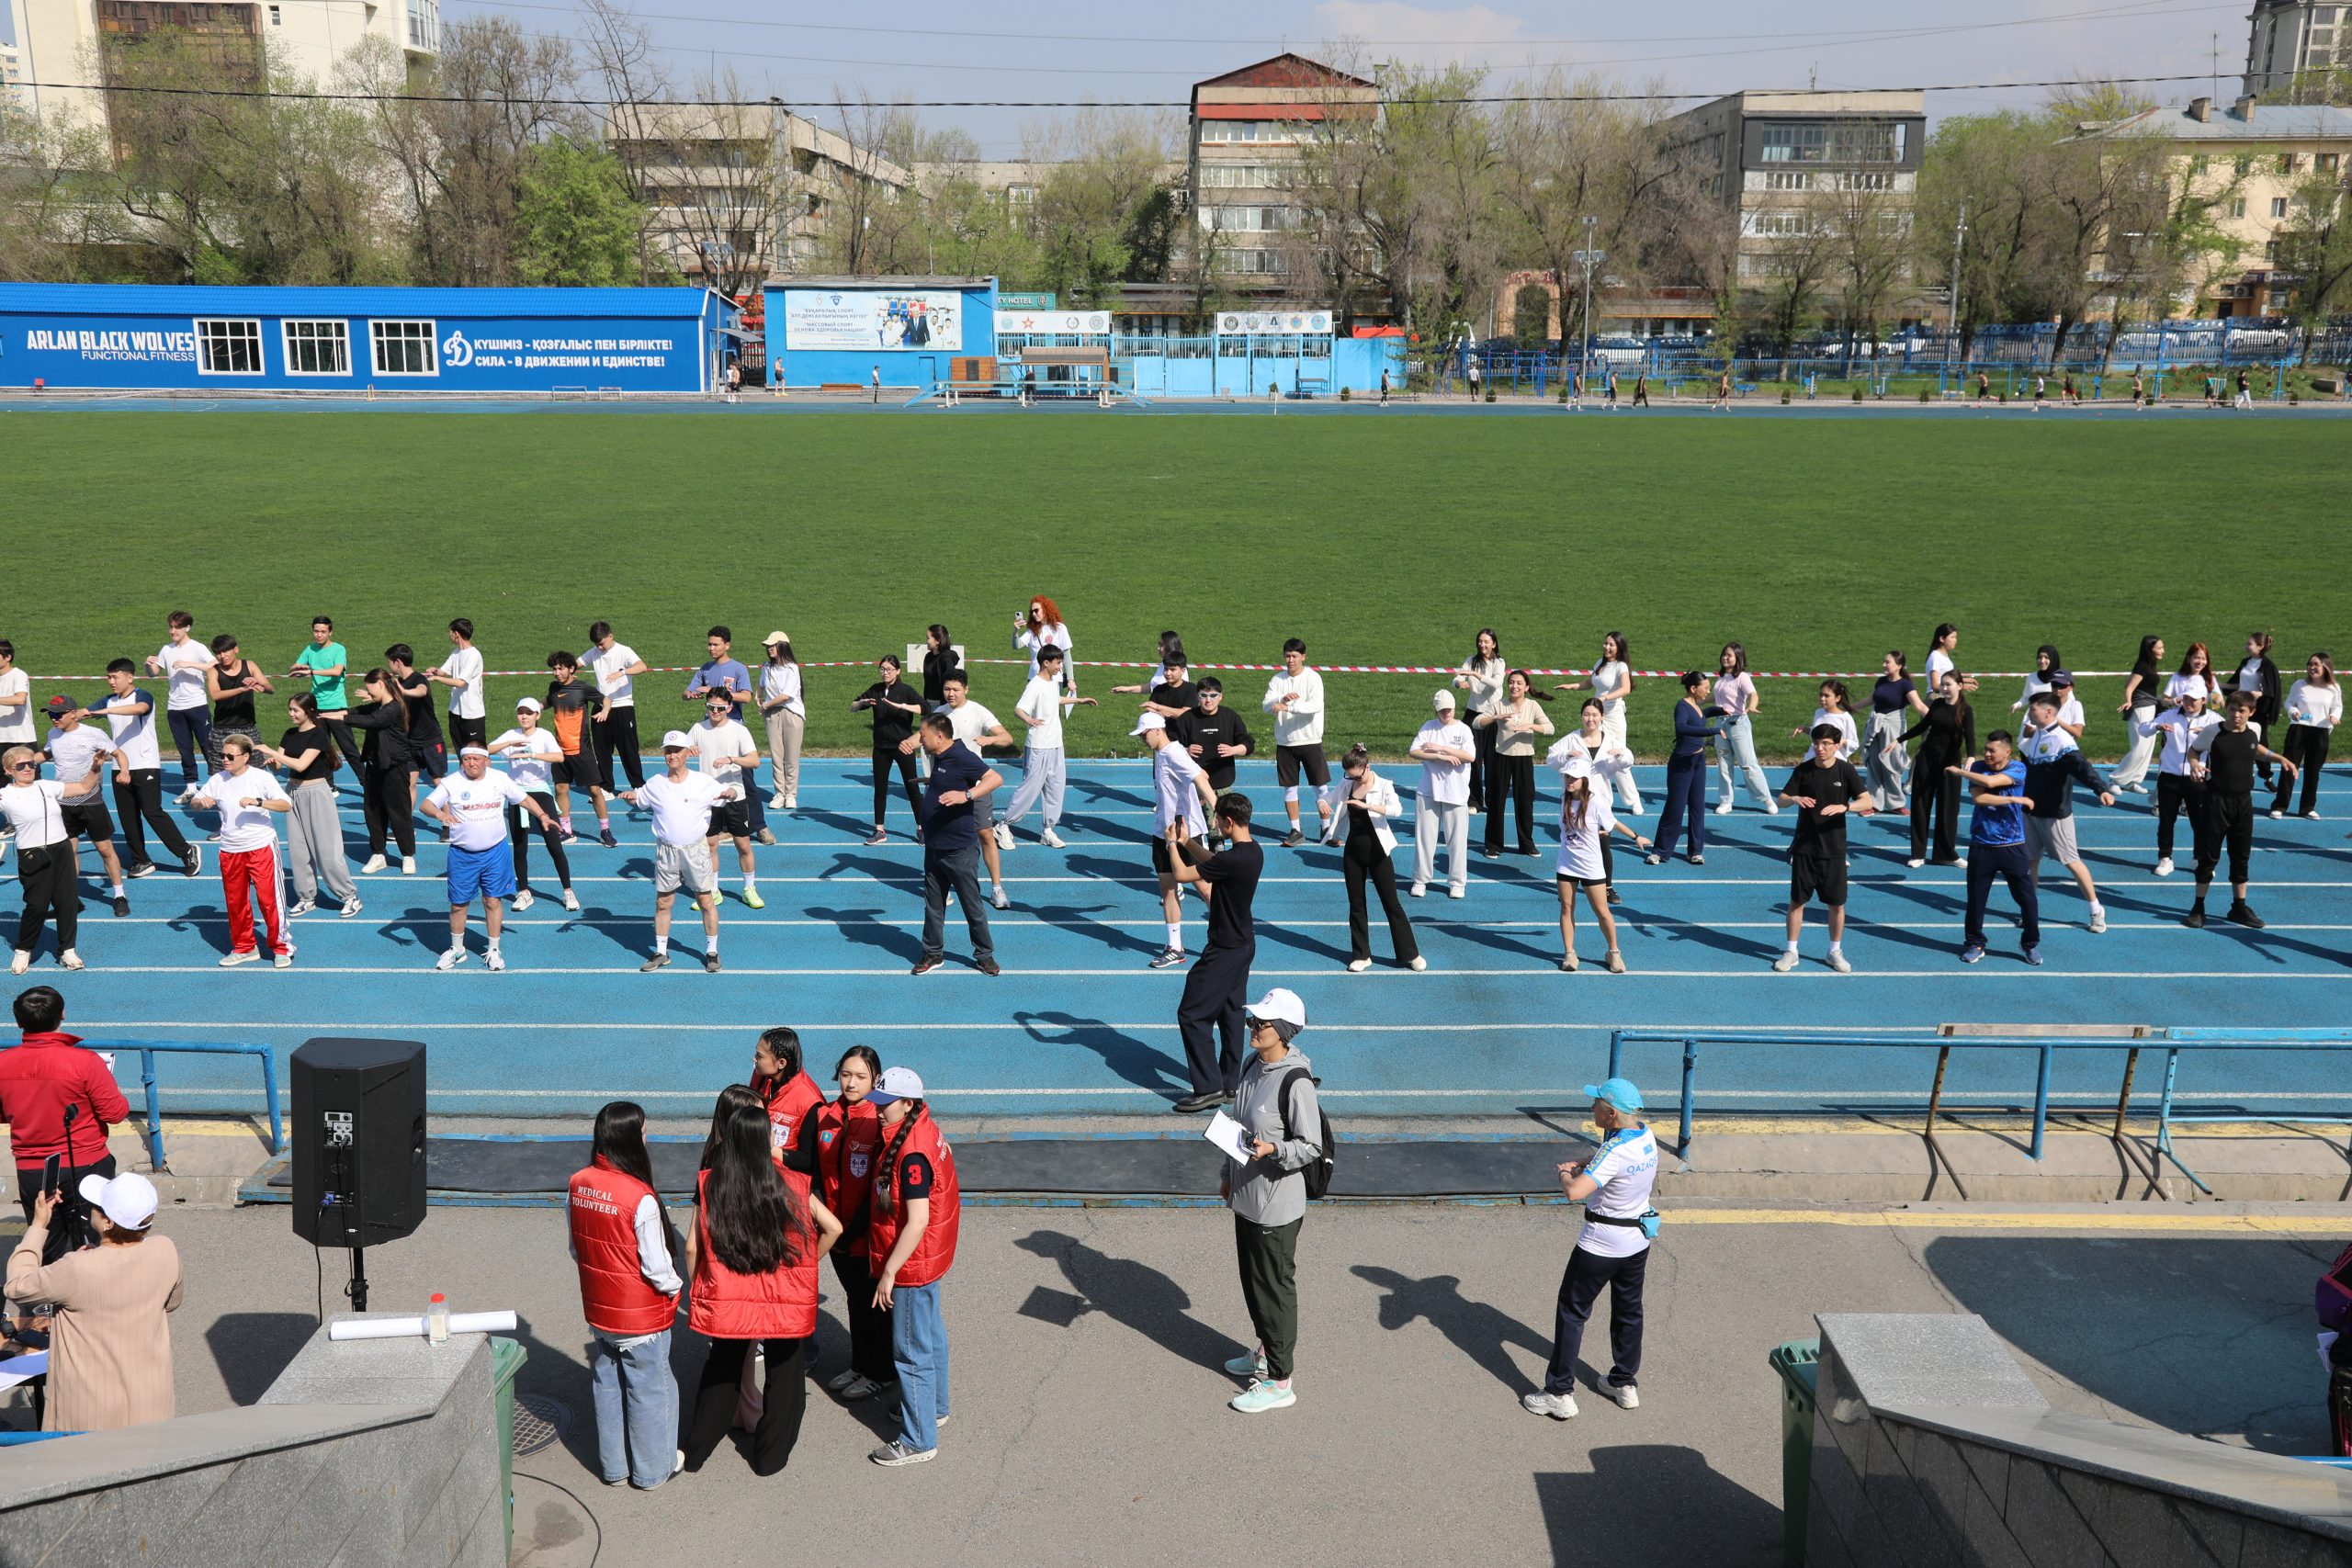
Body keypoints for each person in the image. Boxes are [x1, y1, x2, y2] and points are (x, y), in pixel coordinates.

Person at [681, 1093, 841, 1476]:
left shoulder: (713, 1183)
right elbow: (833, 1227)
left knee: (723, 1368)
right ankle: (770, 1457)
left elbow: (691, 1247)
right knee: (785, 1373)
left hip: (732, 1292)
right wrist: (805, 1264)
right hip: (784, 1293)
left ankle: (696, 1451)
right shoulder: (795, 1183)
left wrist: (701, 1284)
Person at [5, 1168, 181, 1433]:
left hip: (91, 1413)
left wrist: (39, 1226)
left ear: (107, 1222)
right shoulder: (165, 1249)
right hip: (152, 1404)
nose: (91, 1210)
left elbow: (17, 1286)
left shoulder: (78, 1267)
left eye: (97, 1207)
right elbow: (171, 1302)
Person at [1522, 1078, 1657, 1421]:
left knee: (1572, 1312)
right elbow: (1610, 1157)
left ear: (1610, 1114)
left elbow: (1575, 1192)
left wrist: (1566, 1174)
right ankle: (1624, 1383)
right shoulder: (1644, 1136)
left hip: (1600, 1245)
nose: (1591, 1108)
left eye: (1596, 1104)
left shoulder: (1614, 1151)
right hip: (1637, 1242)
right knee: (1628, 1311)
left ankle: (1558, 1393)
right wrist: (1587, 1160)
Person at [566, 1101, 684, 1490]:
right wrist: (676, 1288)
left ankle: (614, 1468)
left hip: (600, 1309)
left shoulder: (578, 1182)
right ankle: (652, 1470)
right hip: (641, 1316)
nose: (648, 1137)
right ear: (631, 1139)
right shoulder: (639, 1196)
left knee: (608, 1383)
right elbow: (657, 1268)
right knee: (651, 1389)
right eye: (644, 1131)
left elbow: (576, 1249)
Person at [1219, 988, 1321, 1416]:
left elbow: (1311, 1146)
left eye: (1261, 1023)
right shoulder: (1252, 1064)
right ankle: (1265, 1351)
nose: (1252, 1028)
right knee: (1253, 1283)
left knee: (1273, 1289)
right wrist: (1227, 1175)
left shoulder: (1296, 1082)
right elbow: (1239, 1123)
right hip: (1246, 1194)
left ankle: (1280, 1381)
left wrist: (1274, 1151)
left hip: (1276, 1205)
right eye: (1252, 1021)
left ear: (1282, 1030)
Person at [864, 1066, 962, 1466]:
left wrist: (889, 1272)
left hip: (912, 1264)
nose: (877, 1110)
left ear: (908, 1104)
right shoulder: (924, 1129)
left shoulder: (911, 1154)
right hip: (930, 1257)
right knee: (931, 1334)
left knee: (909, 1351)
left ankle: (918, 1440)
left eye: (885, 1104)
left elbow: (917, 1220)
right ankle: (933, 1409)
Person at [2, 986, 129, 1265]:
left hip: (33, 1169)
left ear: (19, 1022)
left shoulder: (2, 1062)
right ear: (62, 1014)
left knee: (45, 1244)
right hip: (86, 1164)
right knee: (95, 1244)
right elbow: (115, 1113)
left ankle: (49, 1292)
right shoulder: (85, 1062)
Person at [1166, 794, 1263, 1113]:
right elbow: (1214, 863)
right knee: (1231, 1013)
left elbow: (1182, 875)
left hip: (1223, 950)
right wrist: (1188, 843)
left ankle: (1208, 1088)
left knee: (1192, 1014)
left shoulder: (1231, 861)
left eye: (1217, 819)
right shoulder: (1253, 852)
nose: (1214, 824)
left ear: (1229, 821)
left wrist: (1172, 845)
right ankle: (1231, 1082)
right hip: (1244, 944)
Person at [421, 746, 552, 972]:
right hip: (462, 854)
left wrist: (542, 815)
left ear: (486, 760)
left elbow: (524, 799)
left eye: (476, 758)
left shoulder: (500, 779)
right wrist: (440, 814)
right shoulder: (452, 782)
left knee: (492, 901)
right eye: (466, 759)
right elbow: (426, 805)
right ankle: (457, 949)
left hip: (495, 852)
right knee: (458, 905)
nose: (471, 763)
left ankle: (493, 950)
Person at [618, 733, 738, 974]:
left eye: (676, 750)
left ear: (686, 753)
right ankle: (661, 952)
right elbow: (639, 800)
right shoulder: (656, 783)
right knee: (663, 902)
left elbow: (730, 791)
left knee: (705, 900)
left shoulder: (702, 781)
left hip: (695, 850)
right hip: (666, 850)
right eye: (668, 751)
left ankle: (712, 952)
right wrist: (630, 798)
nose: (672, 755)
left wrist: (730, 794)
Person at [817, 1046, 893, 1401]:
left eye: (861, 1076)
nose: (851, 1083)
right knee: (855, 1300)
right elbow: (818, 1172)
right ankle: (861, 1364)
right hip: (836, 1230)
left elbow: (879, 1187)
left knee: (876, 1306)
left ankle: (882, 1372)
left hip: (865, 1233)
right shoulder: (826, 1115)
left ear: (875, 1079)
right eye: (846, 1074)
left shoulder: (878, 1120)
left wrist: (851, 1233)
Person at [2186, 693, 2296, 931]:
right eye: (2233, 709)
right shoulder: (2212, 731)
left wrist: (2279, 758)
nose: (2236, 715)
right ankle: (2198, 907)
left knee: (2241, 856)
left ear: (2251, 712)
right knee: (2208, 857)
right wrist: (2194, 764)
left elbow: (2255, 748)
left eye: (2242, 711)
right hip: (2216, 802)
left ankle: (2239, 907)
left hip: (2244, 803)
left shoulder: (2253, 730)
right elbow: (2193, 751)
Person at [1775, 725, 1874, 973]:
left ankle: (1834, 951)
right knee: (1797, 902)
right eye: (1816, 743)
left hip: (1834, 849)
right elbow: (1781, 800)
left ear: (1837, 746)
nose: (1820, 748)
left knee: (1837, 904)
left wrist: (1845, 807)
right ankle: (1791, 951)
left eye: (1826, 744)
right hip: (1805, 848)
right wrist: (1794, 799)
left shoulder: (1845, 770)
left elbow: (1867, 801)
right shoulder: (1804, 770)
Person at [88, 661, 199, 880]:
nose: (110, 681)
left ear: (129, 677)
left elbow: (140, 709)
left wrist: (107, 711)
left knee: (151, 811)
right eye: (108, 677)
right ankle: (141, 860)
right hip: (120, 767)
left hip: (145, 764)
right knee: (127, 817)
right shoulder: (108, 700)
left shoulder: (142, 696)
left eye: (115, 677)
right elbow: (86, 712)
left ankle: (186, 852)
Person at [191, 736, 295, 968]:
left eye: (230, 756)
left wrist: (259, 802)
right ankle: (245, 947)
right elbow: (195, 803)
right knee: (236, 903)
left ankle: (281, 947)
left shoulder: (261, 778)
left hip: (261, 847)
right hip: (230, 850)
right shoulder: (217, 779)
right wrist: (201, 803)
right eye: (222, 755)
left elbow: (285, 804)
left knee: (270, 900)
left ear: (246, 757)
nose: (225, 760)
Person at [910, 713, 1002, 977]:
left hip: (959, 850)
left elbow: (995, 779)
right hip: (934, 847)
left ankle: (984, 955)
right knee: (933, 905)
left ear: (939, 736)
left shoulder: (962, 756)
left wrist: (966, 795)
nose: (920, 740)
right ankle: (933, 953)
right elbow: (950, 779)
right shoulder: (940, 757)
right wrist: (934, 783)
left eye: (923, 735)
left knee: (972, 905)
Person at [2019, 691, 2116, 933]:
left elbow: (2082, 767)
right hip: (2031, 813)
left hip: (2055, 815)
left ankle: (2096, 910)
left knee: (2071, 861)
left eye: (2033, 709)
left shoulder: (2062, 741)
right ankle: (2029, 910)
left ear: (2048, 712)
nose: (2029, 713)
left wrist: (2101, 789)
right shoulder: (2038, 734)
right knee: (2030, 861)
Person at [1321, 743, 1422, 974]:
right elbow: (1327, 797)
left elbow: (1397, 810)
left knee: (1391, 903)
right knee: (1356, 904)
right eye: (1349, 776)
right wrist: (1322, 803)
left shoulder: (1384, 785)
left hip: (1378, 852)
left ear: (1368, 767)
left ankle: (1410, 954)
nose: (1353, 779)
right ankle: (1361, 955)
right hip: (1353, 853)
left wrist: (1366, 805)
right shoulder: (1347, 783)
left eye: (1357, 776)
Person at [257, 695, 361, 919]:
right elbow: (280, 765)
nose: (291, 714)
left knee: (327, 850)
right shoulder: (289, 734)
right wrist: (273, 762)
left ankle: (349, 896)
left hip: (316, 794)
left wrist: (272, 753)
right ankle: (306, 897)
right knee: (298, 850)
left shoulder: (318, 735)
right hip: (293, 793)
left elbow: (302, 764)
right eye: (290, 709)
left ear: (309, 711)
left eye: (296, 710)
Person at [919, 674, 1014, 908]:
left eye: (955, 689)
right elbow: (926, 740)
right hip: (946, 785)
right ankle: (943, 886)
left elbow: (1007, 738)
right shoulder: (940, 713)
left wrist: (990, 740)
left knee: (985, 834)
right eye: (946, 689)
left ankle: (997, 888)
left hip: (974, 784)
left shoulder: (978, 711)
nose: (950, 694)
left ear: (966, 690)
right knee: (942, 835)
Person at [1949, 731, 2041, 965]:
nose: (1987, 754)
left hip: (2012, 845)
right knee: (1976, 899)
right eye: (1986, 749)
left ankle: (2030, 943)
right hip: (1981, 844)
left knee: (2027, 898)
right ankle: (1975, 943)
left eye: (1992, 750)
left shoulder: (2018, 768)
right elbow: (1979, 798)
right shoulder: (1978, 767)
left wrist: (1960, 772)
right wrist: (2014, 799)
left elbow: (1991, 783)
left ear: (2007, 752)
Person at [1137, 712, 1218, 970]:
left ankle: (1227, 935)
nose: (1142, 739)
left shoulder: (1173, 753)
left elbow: (1200, 777)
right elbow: (1200, 773)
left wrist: (1218, 810)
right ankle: (1175, 947)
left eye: (1144, 734)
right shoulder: (1162, 753)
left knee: (1205, 888)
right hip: (1163, 831)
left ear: (1158, 731)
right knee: (1167, 887)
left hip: (1186, 833)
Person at [1554, 757, 1648, 974]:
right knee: (1566, 908)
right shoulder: (1564, 800)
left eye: (1574, 778)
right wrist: (1592, 832)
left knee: (1602, 911)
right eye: (1567, 777)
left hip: (1591, 866)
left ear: (1584, 780)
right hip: (1566, 864)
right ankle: (1569, 953)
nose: (1569, 781)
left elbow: (1613, 822)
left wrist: (1636, 837)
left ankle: (1613, 952)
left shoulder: (1595, 802)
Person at [42, 698, 131, 918]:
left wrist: (124, 771)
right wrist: (22, 761)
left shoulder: (93, 734)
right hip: (64, 803)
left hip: (91, 802)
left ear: (73, 713)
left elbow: (118, 753)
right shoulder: (53, 734)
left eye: (58, 714)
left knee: (105, 850)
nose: (53, 719)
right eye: (50, 715)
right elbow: (45, 754)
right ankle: (71, 899)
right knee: (68, 853)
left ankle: (119, 895)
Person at [486, 697, 575, 914]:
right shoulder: (511, 735)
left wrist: (531, 754)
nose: (524, 716)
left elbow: (559, 757)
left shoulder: (544, 735)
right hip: (516, 794)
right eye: (521, 712)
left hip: (540, 792)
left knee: (554, 845)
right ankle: (524, 892)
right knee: (519, 846)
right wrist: (509, 744)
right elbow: (486, 750)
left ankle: (568, 891)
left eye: (529, 713)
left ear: (538, 715)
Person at [684, 627, 769, 845]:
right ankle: (722, 826)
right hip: (710, 730)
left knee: (746, 781)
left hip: (733, 728)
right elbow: (687, 692)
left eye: (716, 644)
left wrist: (716, 691)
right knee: (713, 778)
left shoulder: (738, 668)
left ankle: (760, 827)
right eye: (709, 644)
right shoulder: (705, 668)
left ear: (727, 645)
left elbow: (747, 697)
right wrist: (690, 694)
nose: (711, 648)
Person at [4, 749, 82, 974]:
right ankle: (23, 949)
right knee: (37, 905)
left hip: (61, 848)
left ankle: (67, 950)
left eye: (31, 764)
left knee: (67, 902)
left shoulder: (46, 786)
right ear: (8, 770)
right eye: (20, 766)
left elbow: (84, 787)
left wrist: (96, 767)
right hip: (32, 854)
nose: (28, 768)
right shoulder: (5, 795)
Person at [1645, 672, 1729, 867]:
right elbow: (1682, 727)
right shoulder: (1682, 706)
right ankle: (1660, 851)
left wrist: (1716, 710)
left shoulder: (1696, 707)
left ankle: (1695, 852)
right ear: (1693, 688)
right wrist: (1712, 731)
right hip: (1682, 763)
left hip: (1698, 762)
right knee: (1675, 807)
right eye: (1705, 687)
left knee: (1697, 807)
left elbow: (1699, 718)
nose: (1708, 691)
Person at [690, 694, 764, 908]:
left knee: (743, 844)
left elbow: (755, 761)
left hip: (735, 796)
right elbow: (678, 753)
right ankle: (713, 890)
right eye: (711, 706)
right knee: (710, 845)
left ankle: (749, 889)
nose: (715, 711)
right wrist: (687, 750)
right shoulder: (698, 728)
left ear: (729, 708)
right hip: (708, 799)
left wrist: (732, 759)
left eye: (720, 708)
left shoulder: (739, 730)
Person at [2140, 685, 2219, 877]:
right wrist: (2157, 727)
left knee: (2200, 822)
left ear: (2203, 700)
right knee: (2166, 821)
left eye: (2194, 699)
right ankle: (2165, 858)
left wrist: (2209, 734)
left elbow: (2230, 737)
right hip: (2169, 776)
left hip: (2197, 778)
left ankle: (2199, 858)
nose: (2189, 703)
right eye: (2186, 698)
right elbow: (2143, 729)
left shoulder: (2213, 720)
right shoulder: (2169, 714)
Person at [1475, 670, 1555, 858]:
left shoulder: (1533, 706)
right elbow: (1477, 722)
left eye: (1519, 683)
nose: (1514, 686)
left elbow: (1550, 728)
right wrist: (1495, 718)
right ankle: (1494, 845)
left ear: (1526, 687)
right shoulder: (1499, 704)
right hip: (1501, 758)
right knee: (1496, 801)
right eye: (1511, 682)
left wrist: (1531, 726)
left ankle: (1526, 844)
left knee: (1525, 801)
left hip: (1524, 759)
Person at [1557, 633, 1639, 811]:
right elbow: (1589, 683)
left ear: (1619, 647)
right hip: (1597, 715)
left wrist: (1605, 698)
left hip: (1614, 716)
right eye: (1605, 643)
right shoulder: (1599, 663)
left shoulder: (1621, 666)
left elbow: (1626, 689)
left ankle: (1634, 801)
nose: (1606, 647)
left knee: (1617, 757)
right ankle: (1589, 796)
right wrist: (1572, 686)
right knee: (1590, 754)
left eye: (1611, 645)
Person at [348, 670, 419, 875]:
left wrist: (342, 719)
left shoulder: (394, 708)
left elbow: (372, 722)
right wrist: (332, 714)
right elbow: (358, 711)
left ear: (380, 684)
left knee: (399, 813)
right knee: (373, 812)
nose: (368, 693)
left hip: (394, 768)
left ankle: (408, 855)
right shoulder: (377, 706)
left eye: (370, 689)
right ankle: (378, 854)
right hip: (374, 767)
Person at [1902, 671, 1975, 868]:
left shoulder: (1965, 710)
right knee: (1920, 806)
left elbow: (1970, 736)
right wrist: (1898, 740)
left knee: (1948, 809)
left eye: (1948, 684)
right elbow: (1923, 726)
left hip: (1950, 765)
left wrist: (1971, 756)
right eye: (1942, 684)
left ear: (1959, 686)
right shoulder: (1937, 704)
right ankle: (1918, 854)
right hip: (1927, 760)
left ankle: (1946, 854)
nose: (1944, 688)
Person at [1261, 638, 1330, 848]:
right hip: (1285, 742)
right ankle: (1296, 830)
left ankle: (1327, 828)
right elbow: (1266, 706)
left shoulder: (1313, 678)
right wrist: (1281, 700)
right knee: (1289, 788)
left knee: (1320, 786)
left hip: (1310, 740)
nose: (1290, 660)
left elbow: (1315, 706)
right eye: (1287, 656)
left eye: (1294, 656)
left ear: (1303, 657)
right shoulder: (1277, 680)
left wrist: (1289, 707)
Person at [543, 651, 616, 847]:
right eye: (554, 669)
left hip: (581, 751)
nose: (556, 673)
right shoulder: (554, 688)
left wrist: (605, 711)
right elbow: (548, 702)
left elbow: (606, 700)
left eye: (560, 669)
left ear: (571, 669)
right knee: (561, 789)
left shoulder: (583, 688)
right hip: (560, 752)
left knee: (594, 790)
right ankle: (567, 831)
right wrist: (533, 708)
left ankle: (605, 831)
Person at [1409, 689, 1476, 897]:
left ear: (1454, 708)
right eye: (1442, 710)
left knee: (1457, 841)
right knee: (1424, 839)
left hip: (1456, 793)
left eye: (1449, 709)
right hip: (1428, 791)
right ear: (1436, 710)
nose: (1446, 713)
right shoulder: (1428, 727)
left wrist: (1442, 749)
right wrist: (1440, 757)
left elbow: (1469, 756)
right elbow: (1414, 751)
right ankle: (1420, 880)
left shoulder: (1463, 730)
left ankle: (1457, 883)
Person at [854, 655, 925, 847]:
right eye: (882, 669)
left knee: (912, 788)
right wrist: (862, 703)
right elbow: (853, 706)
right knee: (880, 789)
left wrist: (902, 706)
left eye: (889, 669)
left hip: (903, 747)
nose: (885, 673)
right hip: (881, 749)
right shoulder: (876, 689)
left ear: (898, 671)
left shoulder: (906, 691)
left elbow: (925, 708)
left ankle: (921, 828)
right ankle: (879, 830)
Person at [144, 611, 213, 802]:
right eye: (171, 627)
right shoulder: (166, 649)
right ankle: (191, 788)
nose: (173, 631)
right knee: (184, 749)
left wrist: (189, 664)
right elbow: (153, 673)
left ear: (187, 628)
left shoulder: (197, 647)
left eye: (177, 627)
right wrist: (148, 665)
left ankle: (217, 785)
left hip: (197, 705)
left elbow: (214, 665)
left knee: (208, 746)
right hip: (175, 707)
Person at [288, 616, 363, 775]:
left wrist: (311, 671)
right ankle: (328, 784)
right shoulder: (310, 649)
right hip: (317, 708)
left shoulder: (338, 649)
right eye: (316, 631)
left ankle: (366, 783)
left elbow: (337, 671)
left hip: (337, 708)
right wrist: (296, 668)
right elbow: (294, 668)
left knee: (349, 749)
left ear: (330, 632)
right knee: (322, 750)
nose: (319, 635)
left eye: (323, 631)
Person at [1168, 676, 1253, 812]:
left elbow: (1248, 743)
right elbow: (1169, 746)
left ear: (1221, 697)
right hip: (1194, 784)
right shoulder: (1187, 718)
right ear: (1197, 696)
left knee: (1221, 824)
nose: (1208, 700)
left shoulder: (1230, 717)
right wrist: (1185, 750)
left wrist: (1234, 750)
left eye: (1213, 695)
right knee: (1193, 824)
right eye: (1203, 695)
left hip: (1223, 785)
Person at [585, 622, 650, 795]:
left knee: (628, 750)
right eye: (596, 644)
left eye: (601, 643)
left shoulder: (624, 651)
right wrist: (569, 673)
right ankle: (606, 787)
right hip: (600, 707)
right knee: (602, 750)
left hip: (622, 707)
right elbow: (577, 662)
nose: (599, 647)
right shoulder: (594, 652)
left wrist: (622, 672)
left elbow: (642, 667)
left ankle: (638, 787)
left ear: (610, 636)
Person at [2273, 652, 2340, 819]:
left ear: (2326, 667)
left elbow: (2337, 706)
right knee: (2289, 768)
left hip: (2320, 731)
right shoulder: (2299, 685)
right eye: (2310, 664)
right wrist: (2293, 711)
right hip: (2298, 729)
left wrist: (2334, 715)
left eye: (2316, 664)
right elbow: (2289, 702)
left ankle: (2307, 808)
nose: (2312, 667)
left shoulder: (2333, 688)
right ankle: (2280, 805)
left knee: (2313, 771)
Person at [1711, 643, 1776, 816]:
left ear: (1738, 658)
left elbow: (1753, 694)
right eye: (1724, 654)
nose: (1725, 658)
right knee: (1724, 764)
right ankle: (1726, 801)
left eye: (1729, 655)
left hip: (1738, 724)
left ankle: (1766, 799)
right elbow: (1718, 697)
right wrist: (1697, 700)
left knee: (1748, 765)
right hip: (1720, 724)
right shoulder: (1722, 677)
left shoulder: (1742, 677)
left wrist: (1752, 706)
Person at [384, 644, 447, 808]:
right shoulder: (399, 682)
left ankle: (449, 820)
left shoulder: (418, 679)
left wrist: (405, 692)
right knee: (408, 783)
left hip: (430, 741)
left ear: (398, 662)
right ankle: (407, 822)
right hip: (410, 742)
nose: (388, 666)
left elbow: (422, 691)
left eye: (389, 662)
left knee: (439, 782)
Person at [1865, 651, 1927, 815]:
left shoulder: (1905, 685)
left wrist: (1937, 718)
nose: (1884, 665)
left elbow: (1919, 706)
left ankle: (1896, 804)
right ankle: (1873, 804)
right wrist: (1850, 708)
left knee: (1891, 764)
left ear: (1899, 665)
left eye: (1887, 662)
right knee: (1874, 764)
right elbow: (1872, 699)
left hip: (1894, 727)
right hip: (1875, 726)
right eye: (1884, 661)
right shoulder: (1881, 681)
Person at [204, 633, 274, 773]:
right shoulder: (213, 670)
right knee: (220, 772)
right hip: (222, 728)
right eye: (218, 653)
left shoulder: (249, 665)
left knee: (257, 769)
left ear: (235, 649)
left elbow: (270, 689)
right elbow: (215, 695)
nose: (222, 656)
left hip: (248, 727)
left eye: (225, 651)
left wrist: (258, 682)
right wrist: (242, 689)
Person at [1454, 628, 1507, 811]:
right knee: (1473, 759)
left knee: (1493, 760)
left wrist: (1476, 675)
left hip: (1493, 715)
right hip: (1473, 714)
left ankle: (1493, 801)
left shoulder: (1499, 663)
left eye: (1486, 642)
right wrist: (1458, 683)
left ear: (1494, 644)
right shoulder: (1471, 660)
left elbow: (1497, 683)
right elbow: (1459, 675)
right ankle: (1474, 800)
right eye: (1480, 641)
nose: (1482, 645)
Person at [2110, 635, 2166, 794]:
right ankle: (2115, 780)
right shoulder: (2142, 666)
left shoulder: (2149, 665)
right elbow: (2129, 687)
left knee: (2147, 748)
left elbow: (2128, 683)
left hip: (2151, 708)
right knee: (2139, 748)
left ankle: (2133, 780)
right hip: (2141, 709)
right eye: (2160, 648)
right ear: (2150, 649)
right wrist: (2129, 701)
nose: (2163, 651)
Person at [2228, 632, 2283, 785]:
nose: (2246, 646)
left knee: (2259, 742)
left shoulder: (2268, 666)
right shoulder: (2245, 662)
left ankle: (2267, 776)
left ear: (2260, 646)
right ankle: (2241, 773)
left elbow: (2271, 690)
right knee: (2236, 738)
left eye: (2250, 644)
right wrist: (2217, 685)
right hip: (2240, 708)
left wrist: (2258, 694)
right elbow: (2236, 683)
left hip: (2258, 710)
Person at [757, 632, 804, 811]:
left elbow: (786, 696)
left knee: (791, 756)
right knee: (776, 756)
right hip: (772, 714)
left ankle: (791, 794)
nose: (770, 649)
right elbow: (761, 684)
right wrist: (758, 696)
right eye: (768, 646)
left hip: (791, 713)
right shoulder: (767, 667)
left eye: (773, 645)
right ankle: (779, 793)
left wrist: (765, 705)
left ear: (782, 646)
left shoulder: (792, 668)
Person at [429, 619, 487, 751]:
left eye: (450, 632)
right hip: (455, 711)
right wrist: (435, 671)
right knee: (460, 752)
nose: (449, 635)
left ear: (456, 634)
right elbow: (444, 671)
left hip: (472, 714)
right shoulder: (456, 652)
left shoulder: (474, 655)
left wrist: (437, 678)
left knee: (477, 752)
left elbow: (461, 682)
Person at [1013, 595, 1075, 696]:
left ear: (1045, 609)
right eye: (1032, 612)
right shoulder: (1032, 631)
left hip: (1054, 678)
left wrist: (1070, 680)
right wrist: (1015, 632)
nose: (1034, 614)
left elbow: (1067, 655)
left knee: (1053, 706)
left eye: (1036, 610)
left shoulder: (1060, 628)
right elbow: (1017, 645)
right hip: (1034, 678)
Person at [0, 642, 30, 831]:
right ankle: (11, 820)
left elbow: (20, 699)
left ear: (8, 657)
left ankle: (33, 817)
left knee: (27, 780)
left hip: (20, 736)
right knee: (2, 783)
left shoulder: (18, 675)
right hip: (1, 737)